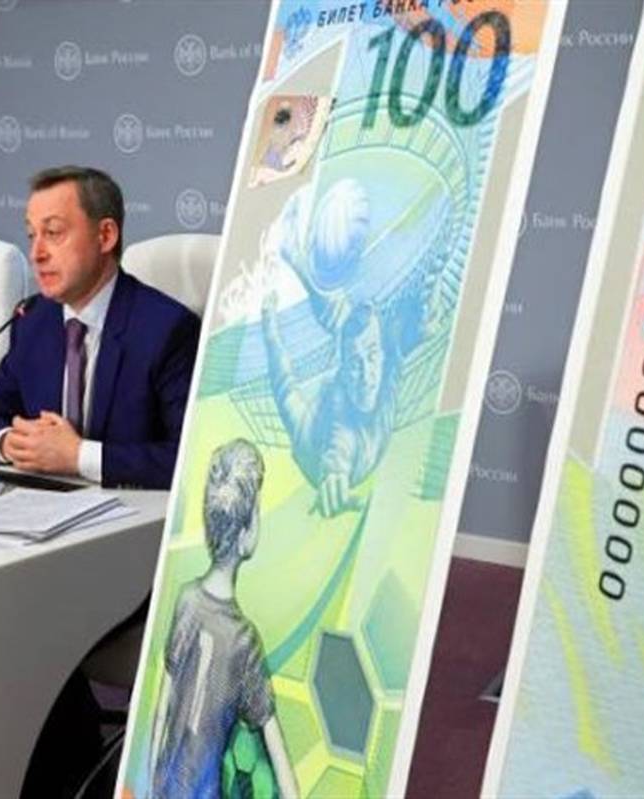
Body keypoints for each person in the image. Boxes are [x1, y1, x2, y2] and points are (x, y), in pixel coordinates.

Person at [0, 165, 199, 490]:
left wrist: (79, 457)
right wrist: (9, 442)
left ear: (106, 236)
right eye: (32, 235)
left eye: (53, 232)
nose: (36, 254)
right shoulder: (34, 320)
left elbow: (190, 459)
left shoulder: (167, 329)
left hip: (132, 514)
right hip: (44, 507)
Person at [260, 179, 435, 516]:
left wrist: (419, 328)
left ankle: (295, 256)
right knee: (284, 386)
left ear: (382, 354)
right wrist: (333, 479)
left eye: (372, 358)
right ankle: (272, 316)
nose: (366, 375)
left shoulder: (386, 356)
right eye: (355, 365)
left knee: (345, 324)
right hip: (310, 437)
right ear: (342, 369)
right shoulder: (340, 417)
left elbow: (396, 338)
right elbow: (337, 449)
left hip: (356, 361)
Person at [148, 439, 298, 799]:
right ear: (246, 533)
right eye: (258, 510)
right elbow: (278, 757)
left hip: (165, 788)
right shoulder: (244, 640)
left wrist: (151, 782)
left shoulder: (185, 600)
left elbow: (161, 710)